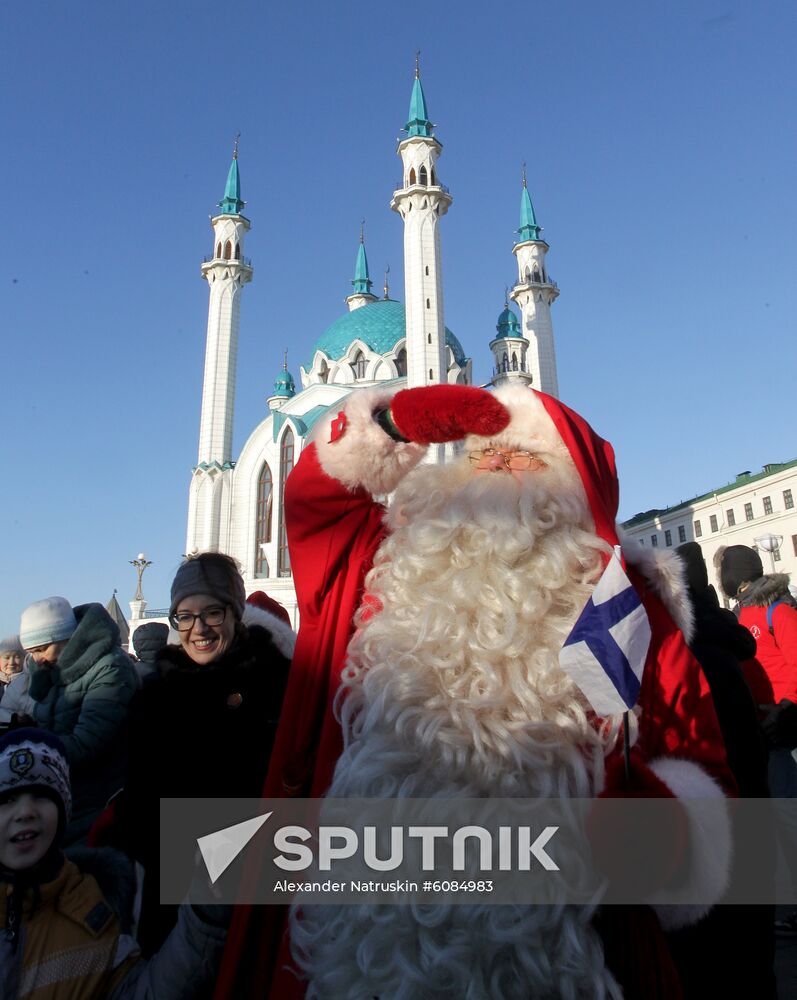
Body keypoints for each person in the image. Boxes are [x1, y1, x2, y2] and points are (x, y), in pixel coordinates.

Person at [219, 384, 735, 999]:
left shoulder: (621, 611)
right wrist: (387, 423)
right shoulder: (384, 565)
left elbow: (700, 769)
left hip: (561, 945)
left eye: (524, 457)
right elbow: (313, 507)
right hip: (366, 938)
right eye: (484, 454)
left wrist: (655, 828)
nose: (497, 466)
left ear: (570, 493)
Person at [118, 553, 294, 956]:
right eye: (185, 616)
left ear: (235, 613)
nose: (198, 629)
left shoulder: (274, 689)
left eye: (211, 613)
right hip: (170, 898)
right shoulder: (155, 699)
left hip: (249, 902)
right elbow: (139, 806)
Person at [0, 727, 229, 998]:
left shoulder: (96, 907)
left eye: (40, 796)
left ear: (63, 812)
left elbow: (143, 992)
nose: (25, 812)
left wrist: (203, 914)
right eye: (8, 800)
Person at [720, 544, 797, 937]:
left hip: (780, 727)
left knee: (788, 812)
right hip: (757, 729)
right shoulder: (739, 612)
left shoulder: (775, 609)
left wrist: (786, 711)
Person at [16, 597, 138, 844]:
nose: (37, 659)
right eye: (31, 653)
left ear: (67, 638)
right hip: (64, 793)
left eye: (42, 649)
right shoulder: (52, 670)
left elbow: (87, 744)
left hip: (100, 799)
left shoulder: (110, 667)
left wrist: (28, 749)